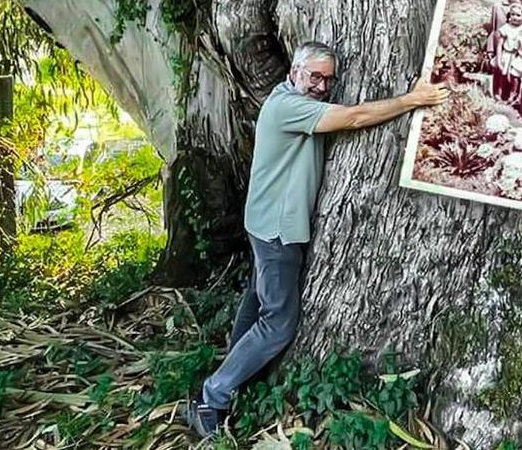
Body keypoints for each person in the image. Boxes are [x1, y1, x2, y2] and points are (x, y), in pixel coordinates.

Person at [184, 42, 449, 437]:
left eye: (328, 79)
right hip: (277, 230)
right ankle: (213, 396)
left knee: (258, 301)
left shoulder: (286, 97)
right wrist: (412, 99)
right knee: (278, 322)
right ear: (294, 71)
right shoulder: (288, 107)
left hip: (265, 222)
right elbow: (355, 117)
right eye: (314, 76)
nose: (322, 86)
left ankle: (235, 375)